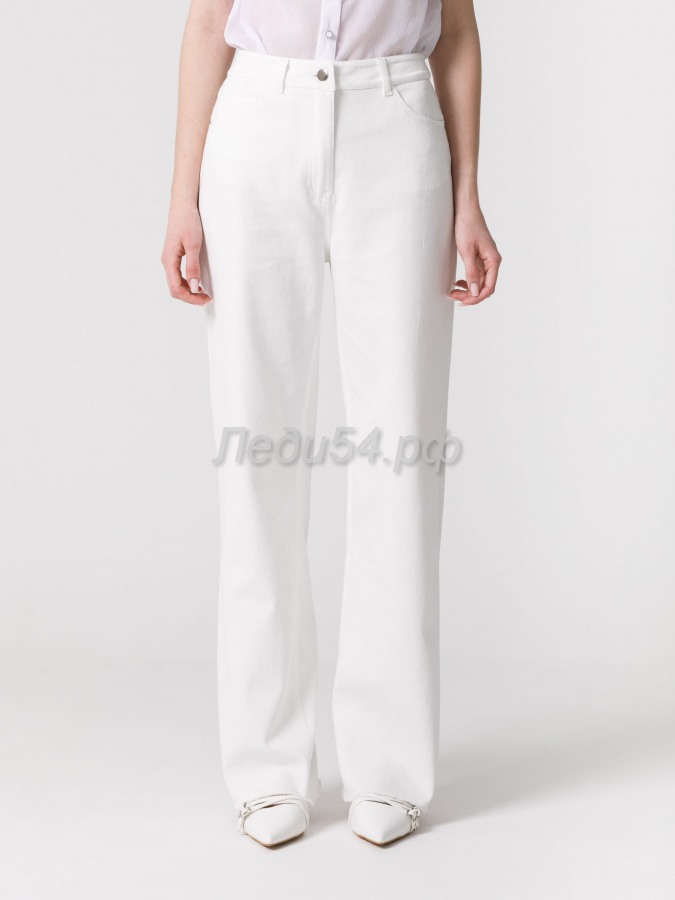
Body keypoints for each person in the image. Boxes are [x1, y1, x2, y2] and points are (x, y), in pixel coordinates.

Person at [161, 0, 501, 849]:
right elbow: (207, 24)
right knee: (256, 458)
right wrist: (182, 198)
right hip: (257, 125)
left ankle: (388, 767)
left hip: (396, 126)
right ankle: (266, 767)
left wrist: (467, 193)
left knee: (401, 457)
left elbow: (456, 29)